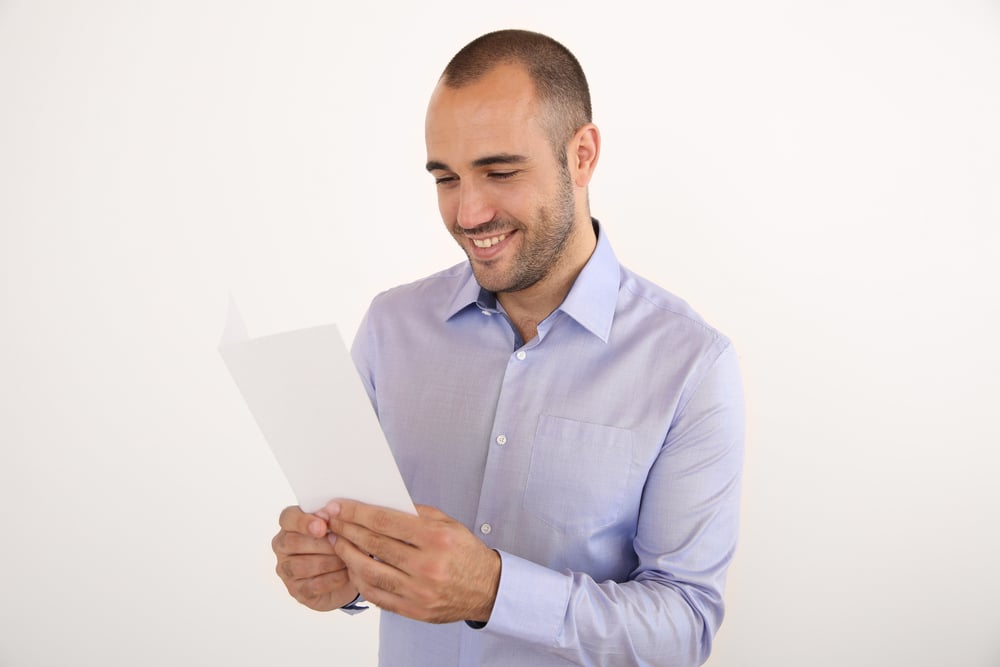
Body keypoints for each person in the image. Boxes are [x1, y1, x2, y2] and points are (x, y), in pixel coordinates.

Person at [271, 29, 744, 666]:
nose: (467, 214)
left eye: (499, 172)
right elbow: (356, 534)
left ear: (582, 156)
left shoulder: (691, 365)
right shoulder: (391, 328)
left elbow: (685, 627)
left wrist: (494, 590)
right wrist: (337, 574)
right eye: (446, 178)